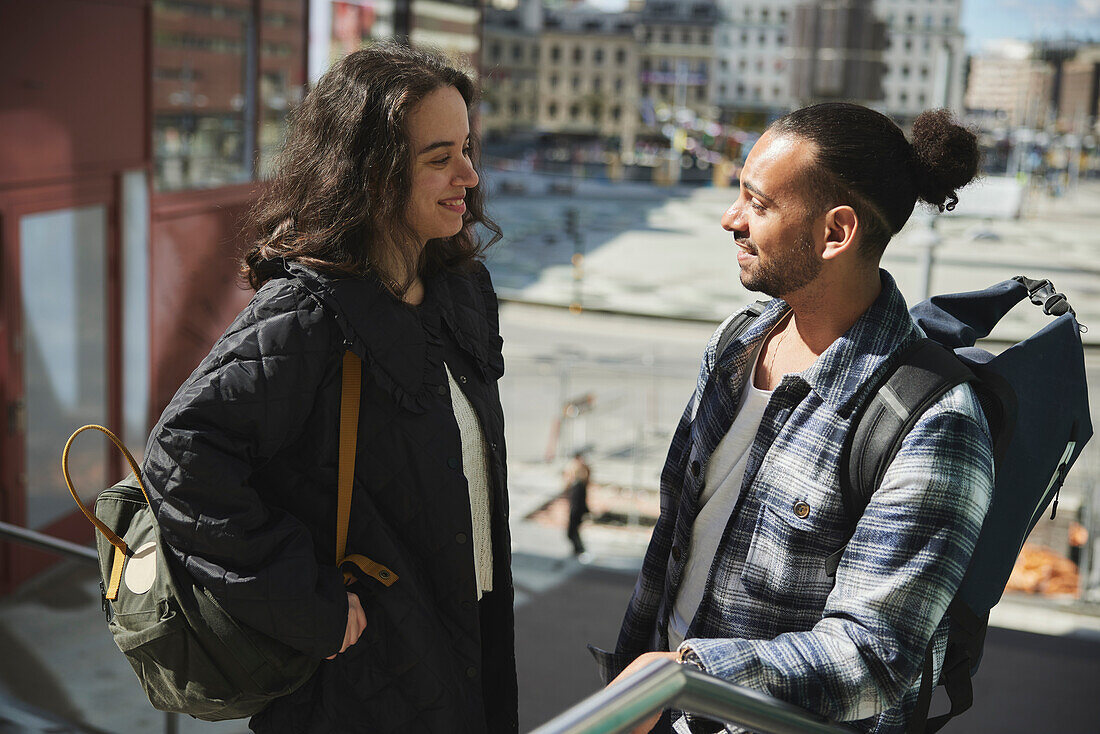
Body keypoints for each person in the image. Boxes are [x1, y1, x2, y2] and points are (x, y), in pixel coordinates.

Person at [140, 43, 517, 734]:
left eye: (467, 147)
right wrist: (309, 604)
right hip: (353, 692)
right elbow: (182, 461)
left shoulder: (462, 291)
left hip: (467, 654)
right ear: (372, 174)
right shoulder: (305, 315)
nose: (468, 173)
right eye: (440, 157)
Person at [594, 103, 995, 734]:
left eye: (757, 203)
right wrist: (635, 681)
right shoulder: (738, 343)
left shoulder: (933, 420)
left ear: (837, 233)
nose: (731, 219)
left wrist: (682, 673)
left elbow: (873, 656)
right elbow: (671, 551)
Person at [564, 452, 592, 557]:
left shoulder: (579, 485)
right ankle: (578, 550)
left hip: (576, 511)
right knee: (573, 532)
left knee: (572, 532)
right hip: (577, 510)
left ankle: (579, 550)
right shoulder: (579, 484)